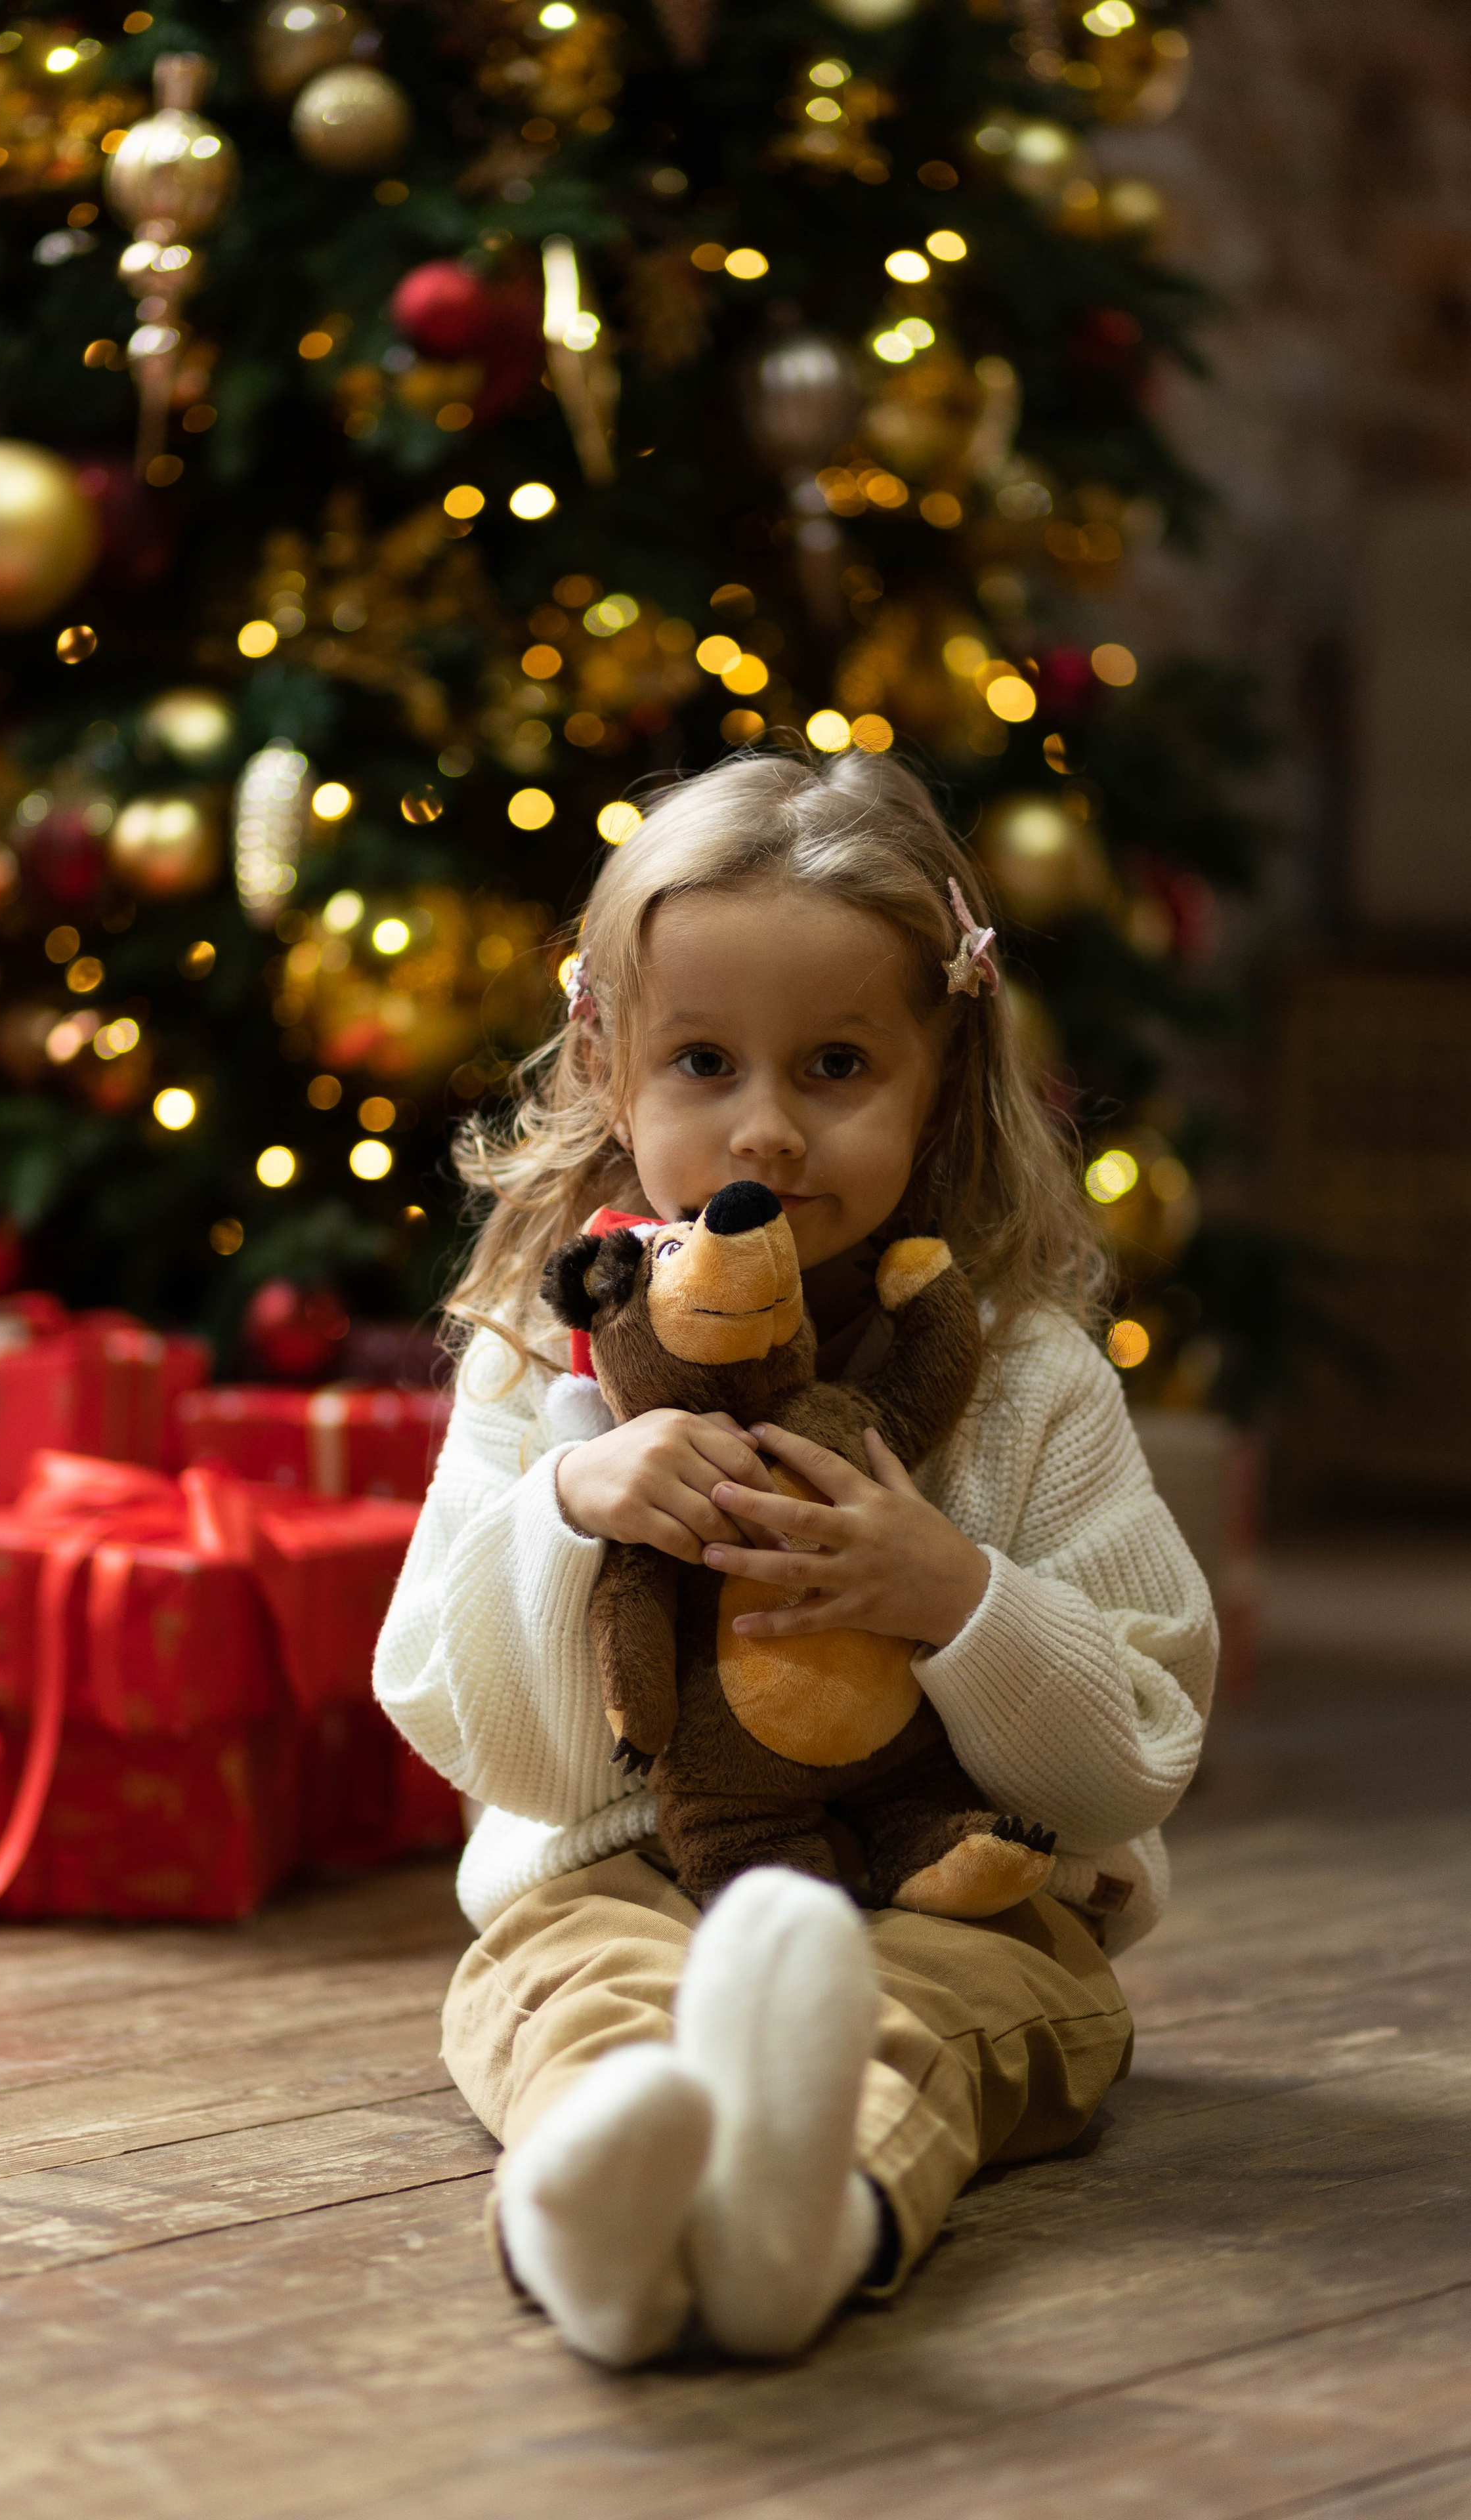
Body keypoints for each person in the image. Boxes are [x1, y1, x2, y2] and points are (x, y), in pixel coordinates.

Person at [373, 749, 1216, 2368]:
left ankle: (809, 2213)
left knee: (932, 2018)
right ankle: (593, 2212)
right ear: (609, 1068)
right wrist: (569, 1513)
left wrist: (954, 1597)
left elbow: (1137, 1753)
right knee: (568, 1996)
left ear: (940, 1071)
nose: (766, 1128)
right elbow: (477, 1729)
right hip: (618, 1871)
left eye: (835, 1064)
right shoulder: (536, 1370)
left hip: (955, 1889)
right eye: (703, 1061)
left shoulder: (1028, 1378)